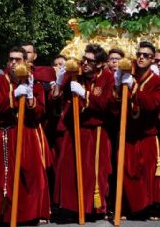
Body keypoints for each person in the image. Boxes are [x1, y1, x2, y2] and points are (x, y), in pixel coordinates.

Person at [0, 46, 51, 226]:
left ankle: (32, 213)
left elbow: (40, 112)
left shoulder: (34, 83)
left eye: (18, 59)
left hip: (28, 133)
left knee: (31, 175)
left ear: (26, 61)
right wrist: (14, 96)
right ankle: (5, 215)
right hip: (7, 134)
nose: (13, 63)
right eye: (11, 59)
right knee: (2, 177)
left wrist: (30, 98)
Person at [52, 44, 114, 218]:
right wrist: (59, 80)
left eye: (90, 61)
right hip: (75, 129)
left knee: (94, 171)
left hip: (96, 131)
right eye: (84, 59)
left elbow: (104, 103)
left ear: (100, 64)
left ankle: (94, 208)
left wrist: (85, 95)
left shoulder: (107, 77)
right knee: (70, 168)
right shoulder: (75, 74)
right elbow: (56, 96)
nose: (85, 63)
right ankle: (73, 206)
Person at [113, 41, 160, 219]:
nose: (141, 58)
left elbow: (152, 104)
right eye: (139, 54)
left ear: (152, 60)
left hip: (147, 133)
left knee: (149, 172)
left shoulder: (158, 82)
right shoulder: (127, 76)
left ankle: (151, 207)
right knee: (128, 170)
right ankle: (130, 207)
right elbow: (114, 105)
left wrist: (133, 88)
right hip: (128, 132)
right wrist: (117, 87)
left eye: (146, 55)